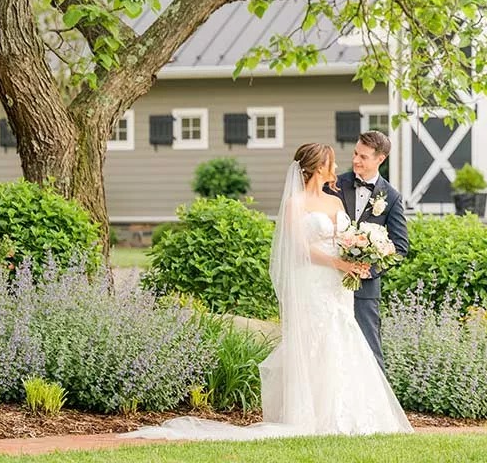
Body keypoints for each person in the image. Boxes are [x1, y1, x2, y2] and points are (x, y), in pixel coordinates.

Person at [121, 143, 412, 440]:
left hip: (338, 284)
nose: (338, 167)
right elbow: (299, 248)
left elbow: (344, 239)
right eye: (332, 162)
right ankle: (312, 415)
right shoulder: (294, 204)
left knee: (341, 339)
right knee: (315, 342)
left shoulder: (336, 202)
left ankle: (349, 412)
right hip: (312, 280)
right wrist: (337, 261)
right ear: (317, 167)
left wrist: (358, 257)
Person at [324, 130, 410, 370]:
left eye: (363, 156)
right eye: (355, 153)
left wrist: (369, 270)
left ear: (380, 159)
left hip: (365, 289)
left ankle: (376, 407)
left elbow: (400, 247)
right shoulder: (334, 185)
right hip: (328, 281)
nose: (355, 160)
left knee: (370, 353)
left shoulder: (391, 197)